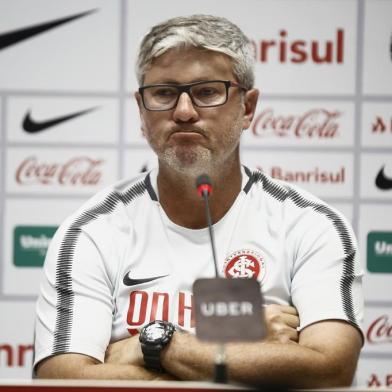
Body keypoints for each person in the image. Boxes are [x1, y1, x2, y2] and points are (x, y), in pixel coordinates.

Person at [34, 14, 364, 387]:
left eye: (208, 92)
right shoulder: (92, 231)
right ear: (142, 112)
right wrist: (247, 346)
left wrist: (153, 344)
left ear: (248, 108)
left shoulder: (310, 224)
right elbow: (62, 380)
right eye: (164, 93)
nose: (184, 112)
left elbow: (331, 368)